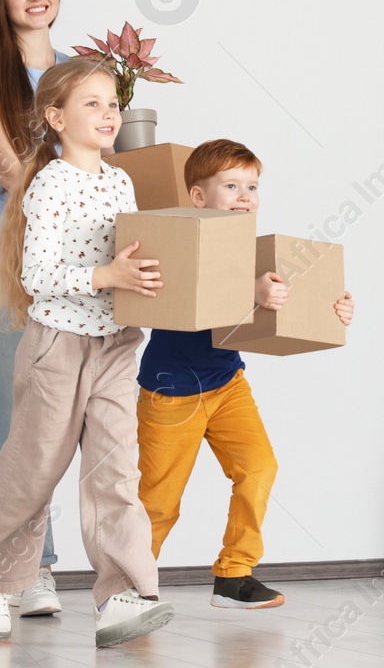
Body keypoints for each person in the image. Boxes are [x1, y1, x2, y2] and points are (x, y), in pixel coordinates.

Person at [0, 56, 174, 648]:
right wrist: (106, 275)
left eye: (112, 103)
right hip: (59, 345)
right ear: (55, 117)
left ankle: (125, 593)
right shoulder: (50, 182)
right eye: (92, 104)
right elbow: (39, 273)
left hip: (117, 344)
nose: (109, 114)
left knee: (116, 471)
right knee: (34, 471)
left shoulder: (119, 180)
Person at [136, 139, 354, 609]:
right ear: (198, 198)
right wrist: (249, 293)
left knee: (258, 468)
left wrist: (331, 305)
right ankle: (130, 586)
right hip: (171, 391)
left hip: (228, 383)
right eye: (230, 186)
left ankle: (234, 575)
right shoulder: (175, 239)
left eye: (251, 187)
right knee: (159, 500)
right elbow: (192, 297)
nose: (244, 196)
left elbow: (286, 300)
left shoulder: (251, 250)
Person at [0, 0, 72, 616]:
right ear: (0, 1)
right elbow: (8, 168)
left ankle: (28, 562)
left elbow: (111, 157)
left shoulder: (85, 72)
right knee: (17, 415)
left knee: (62, 416)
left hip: (71, 255)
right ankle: (34, 567)